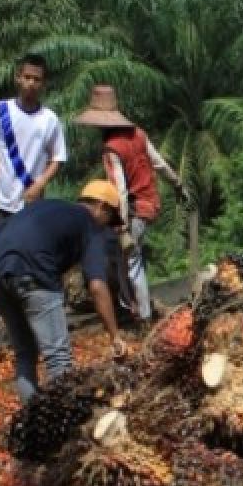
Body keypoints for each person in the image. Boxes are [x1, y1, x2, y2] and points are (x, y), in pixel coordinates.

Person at [0, 180, 128, 403]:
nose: (107, 227)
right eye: (110, 220)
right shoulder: (89, 225)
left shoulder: (45, 207)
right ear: (103, 207)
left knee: (25, 353)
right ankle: (64, 425)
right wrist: (114, 335)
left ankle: (31, 422)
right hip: (34, 273)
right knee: (58, 356)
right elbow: (97, 285)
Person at [74, 84, 188, 323]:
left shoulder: (111, 148)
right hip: (150, 205)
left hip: (134, 210)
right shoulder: (138, 133)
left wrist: (122, 224)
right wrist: (177, 183)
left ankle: (140, 317)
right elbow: (158, 163)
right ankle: (133, 309)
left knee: (130, 265)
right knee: (129, 261)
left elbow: (120, 190)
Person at [0, 53, 68, 230]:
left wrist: (39, 185)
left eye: (37, 79)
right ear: (18, 78)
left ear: (43, 84)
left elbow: (58, 158)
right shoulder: (0, 110)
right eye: (27, 77)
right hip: (2, 202)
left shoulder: (50, 119)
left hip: (31, 203)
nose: (31, 83)